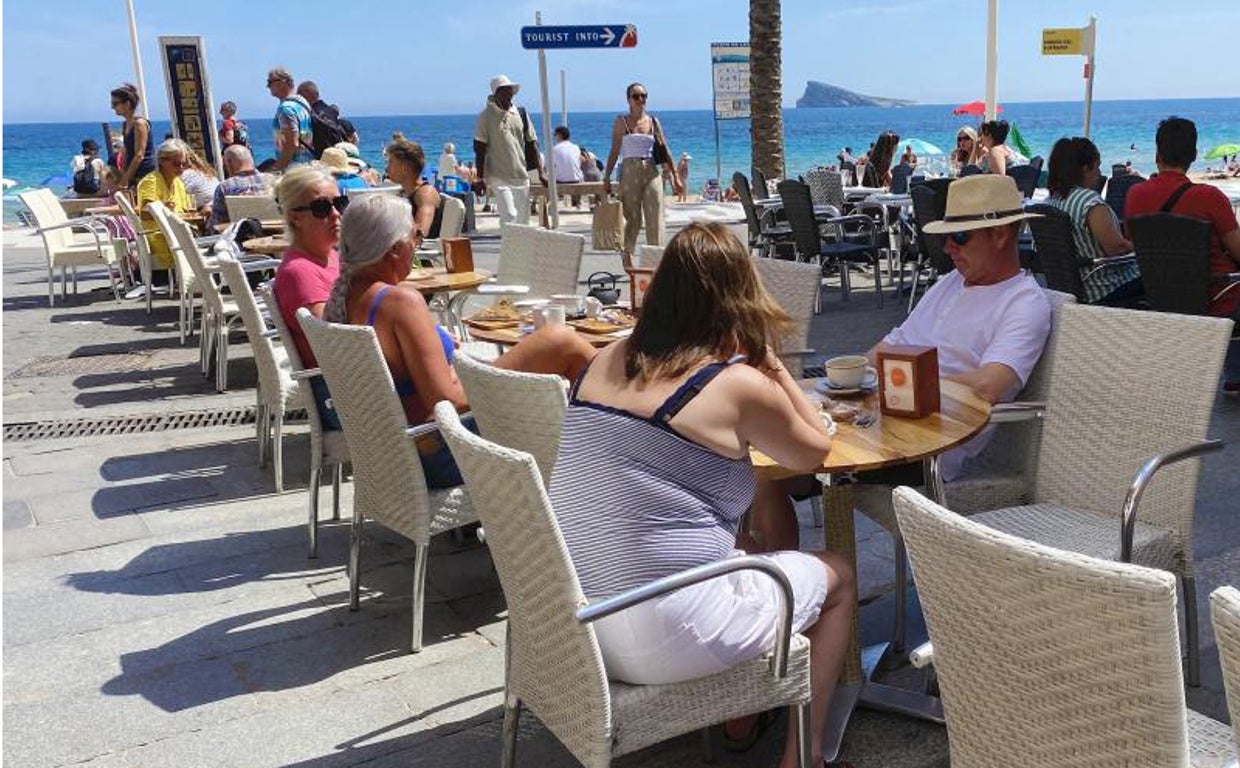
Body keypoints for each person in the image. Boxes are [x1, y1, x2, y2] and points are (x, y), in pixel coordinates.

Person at [547, 222, 853, 768]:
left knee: (753, 555)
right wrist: (770, 362)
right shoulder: (732, 384)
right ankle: (802, 758)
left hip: (578, 625)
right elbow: (813, 452)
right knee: (837, 574)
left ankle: (743, 711)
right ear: (739, 300)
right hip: (664, 634)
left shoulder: (603, 358)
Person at [753, 175, 1052, 551]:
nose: (947, 247)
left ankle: (790, 591)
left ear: (1002, 233)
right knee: (762, 452)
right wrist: (846, 379)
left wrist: (902, 386)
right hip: (882, 423)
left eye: (960, 237)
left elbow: (991, 385)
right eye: (946, 236)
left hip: (931, 446)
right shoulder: (949, 284)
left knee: (769, 462)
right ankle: (768, 586)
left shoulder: (1024, 303)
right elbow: (890, 347)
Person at [323, 194, 596, 485]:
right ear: (393, 249)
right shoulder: (399, 302)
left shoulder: (347, 297)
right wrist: (502, 373)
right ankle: (623, 444)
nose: (417, 245)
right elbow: (445, 401)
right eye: (415, 235)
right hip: (444, 453)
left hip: (399, 455)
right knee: (561, 342)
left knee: (552, 347)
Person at [1125, 116, 1240, 395]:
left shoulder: (1135, 194)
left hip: (1160, 296)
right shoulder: (1209, 197)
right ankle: (1235, 375)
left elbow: (1132, 243)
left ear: (1157, 154)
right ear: (1194, 156)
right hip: (1216, 297)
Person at [272, 165, 348, 427]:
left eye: (339, 203)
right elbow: (334, 343)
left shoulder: (331, 257)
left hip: (354, 384)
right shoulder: (300, 273)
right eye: (322, 208)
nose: (336, 214)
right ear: (295, 218)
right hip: (341, 398)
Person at [1044, 137, 1142, 306]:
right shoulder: (1090, 202)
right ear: (1085, 169)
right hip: (1104, 287)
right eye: (1097, 167)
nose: (1099, 173)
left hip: (1068, 288)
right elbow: (1116, 248)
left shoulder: (1051, 201)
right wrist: (1144, 247)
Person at [603, 82, 683, 267]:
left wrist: (675, 176)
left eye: (643, 96)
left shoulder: (653, 121)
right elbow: (614, 151)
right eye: (636, 96)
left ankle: (655, 259)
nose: (641, 100)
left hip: (651, 171)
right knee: (633, 219)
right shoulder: (621, 122)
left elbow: (664, 149)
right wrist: (606, 177)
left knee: (655, 215)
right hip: (630, 171)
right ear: (628, 100)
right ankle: (627, 253)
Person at [474, 75, 544, 225]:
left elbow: (532, 143)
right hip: (498, 175)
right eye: (504, 91)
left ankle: (519, 248)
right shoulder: (485, 116)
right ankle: (509, 246)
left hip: (520, 174)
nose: (509, 94)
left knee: (523, 221)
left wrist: (541, 172)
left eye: (510, 90)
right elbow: (479, 148)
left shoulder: (521, 113)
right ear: (495, 94)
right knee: (510, 216)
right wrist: (479, 179)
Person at [134, 139, 195, 279]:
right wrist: (162, 210)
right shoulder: (151, 182)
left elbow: (184, 211)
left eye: (183, 164)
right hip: (159, 236)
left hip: (176, 233)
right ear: (162, 161)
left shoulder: (178, 182)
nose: (180, 168)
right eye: (176, 164)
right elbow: (143, 214)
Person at [385, 138, 443, 241]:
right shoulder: (405, 192)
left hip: (419, 254)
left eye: (390, 162)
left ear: (405, 168)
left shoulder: (425, 193)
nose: (386, 168)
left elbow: (420, 232)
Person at [209, 145, 274, 229]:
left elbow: (217, 225)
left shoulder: (224, 187)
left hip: (241, 238)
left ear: (229, 163)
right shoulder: (273, 180)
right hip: (274, 234)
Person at [266, 67, 314, 171]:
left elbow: (291, 144)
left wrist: (277, 169)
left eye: (270, 82)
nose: (267, 86)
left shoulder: (286, 109)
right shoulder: (302, 103)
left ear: (282, 82)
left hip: (294, 169)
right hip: (308, 165)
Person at [111, 83, 154, 189]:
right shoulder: (125, 124)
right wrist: (123, 173)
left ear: (127, 104)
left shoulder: (139, 124)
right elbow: (126, 151)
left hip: (144, 173)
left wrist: (126, 180)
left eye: (115, 103)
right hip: (132, 174)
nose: (112, 107)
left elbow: (139, 155)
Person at [297, 80, 349, 158]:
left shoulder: (309, 114)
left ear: (306, 94)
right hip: (339, 154)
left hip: (322, 158)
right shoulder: (332, 110)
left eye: (299, 94)